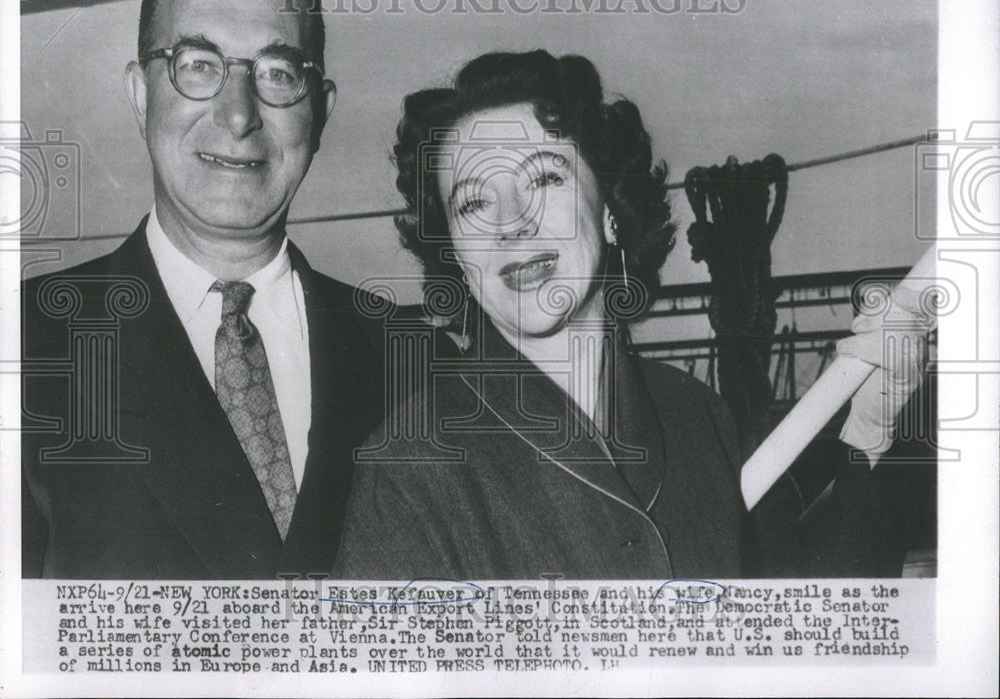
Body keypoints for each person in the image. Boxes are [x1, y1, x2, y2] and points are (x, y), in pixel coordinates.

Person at [332, 50, 927, 580]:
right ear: (457, 256)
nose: (510, 222)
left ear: (611, 207)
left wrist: (867, 434)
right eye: (473, 202)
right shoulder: (411, 469)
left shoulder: (699, 417)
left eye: (542, 177)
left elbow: (803, 629)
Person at [21, 0, 385, 579]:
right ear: (140, 95)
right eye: (198, 65)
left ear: (319, 109)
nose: (238, 114)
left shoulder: (412, 363)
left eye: (277, 73)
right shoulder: (24, 345)